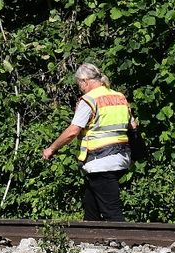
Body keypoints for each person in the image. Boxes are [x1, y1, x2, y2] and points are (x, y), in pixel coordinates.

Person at [39, 63, 137, 222]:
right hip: (122, 158)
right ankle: (91, 237)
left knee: (112, 212)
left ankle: (123, 241)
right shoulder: (119, 97)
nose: (80, 88)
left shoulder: (89, 100)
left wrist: (51, 149)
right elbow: (132, 126)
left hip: (100, 161)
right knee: (92, 207)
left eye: (79, 84)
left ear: (85, 81)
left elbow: (72, 132)